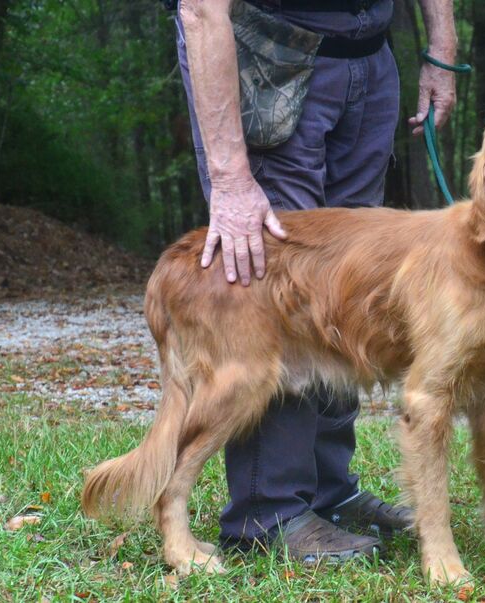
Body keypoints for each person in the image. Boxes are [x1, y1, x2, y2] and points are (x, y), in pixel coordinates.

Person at [175, 0, 457, 562]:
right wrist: (230, 178)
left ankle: (328, 491)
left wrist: (440, 47)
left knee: (348, 290)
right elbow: (201, 9)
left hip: (369, 59)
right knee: (274, 288)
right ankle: (270, 511)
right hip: (269, 61)